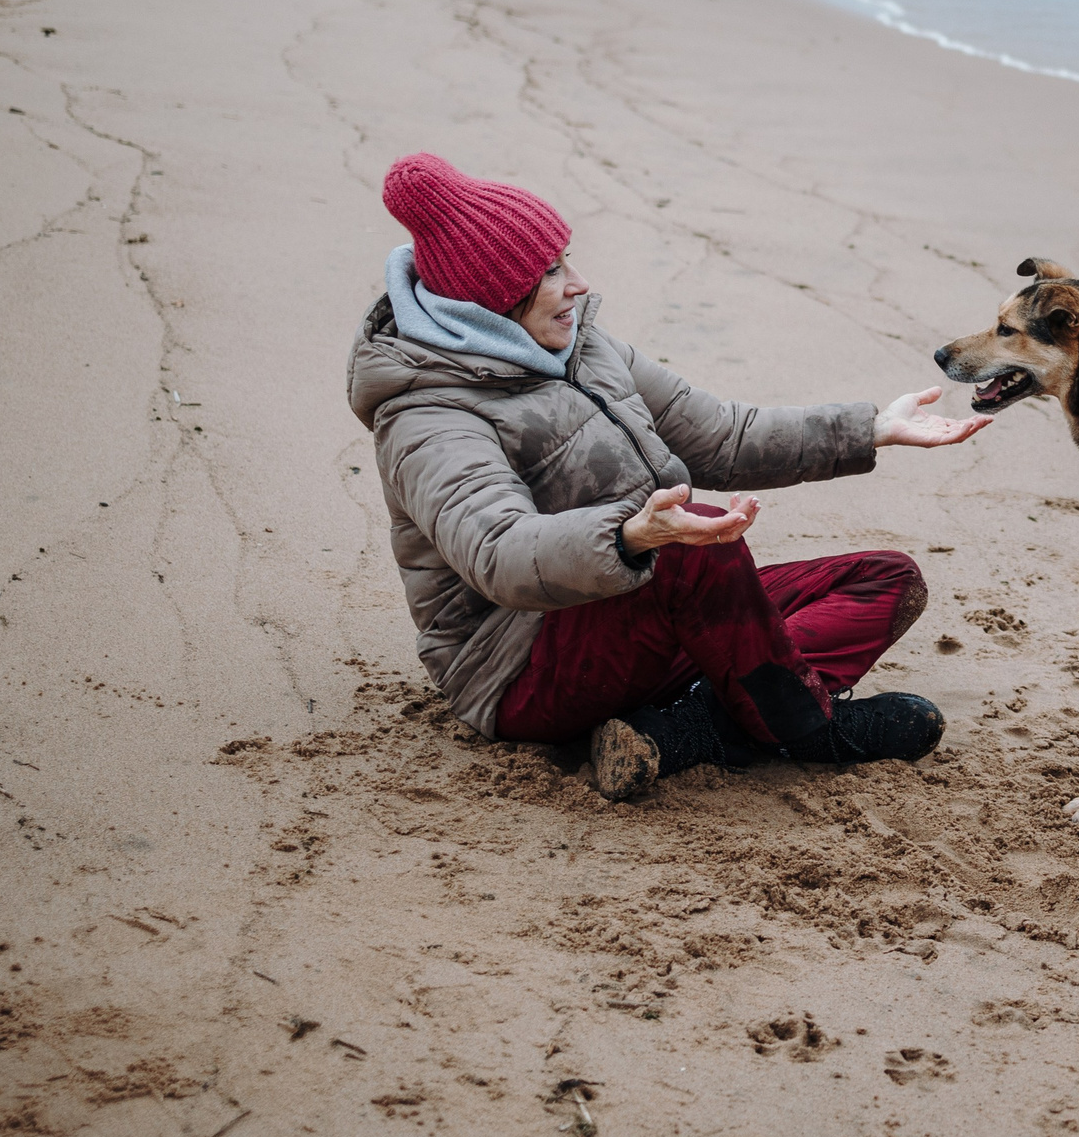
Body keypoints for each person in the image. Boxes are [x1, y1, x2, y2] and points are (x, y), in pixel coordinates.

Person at [347, 154, 989, 799]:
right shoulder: (427, 414)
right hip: (520, 669)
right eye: (551, 271)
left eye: (567, 259)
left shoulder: (584, 349)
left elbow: (722, 436)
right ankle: (804, 727)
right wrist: (629, 536)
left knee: (885, 579)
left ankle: (691, 729)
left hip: (643, 613)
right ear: (492, 295)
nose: (579, 284)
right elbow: (498, 553)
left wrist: (871, 428)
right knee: (694, 542)